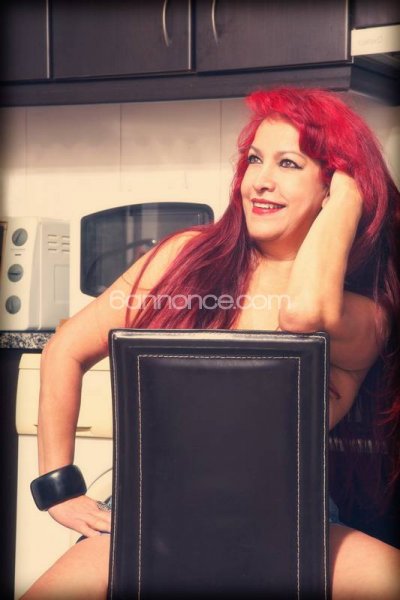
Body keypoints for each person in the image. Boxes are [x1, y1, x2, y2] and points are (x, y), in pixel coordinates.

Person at [21, 87, 400, 599]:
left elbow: (304, 312)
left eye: (289, 163)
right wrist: (58, 488)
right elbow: (64, 347)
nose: (259, 181)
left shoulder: (364, 314)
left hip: (290, 524)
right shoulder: (185, 258)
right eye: (254, 160)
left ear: (332, 189)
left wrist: (351, 195)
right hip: (148, 516)